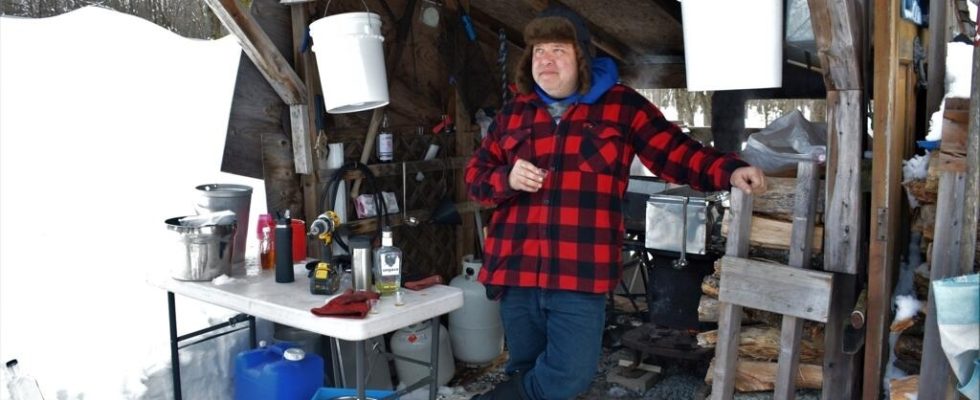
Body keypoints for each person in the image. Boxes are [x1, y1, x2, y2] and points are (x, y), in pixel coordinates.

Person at [464, 5, 767, 400]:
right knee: (526, 369)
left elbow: (676, 152)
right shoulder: (514, 114)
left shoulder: (621, 107)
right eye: (538, 51)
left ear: (582, 58)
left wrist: (727, 170)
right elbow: (475, 179)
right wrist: (506, 179)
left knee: (567, 377)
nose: (545, 60)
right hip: (516, 270)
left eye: (558, 49)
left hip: (579, 273)